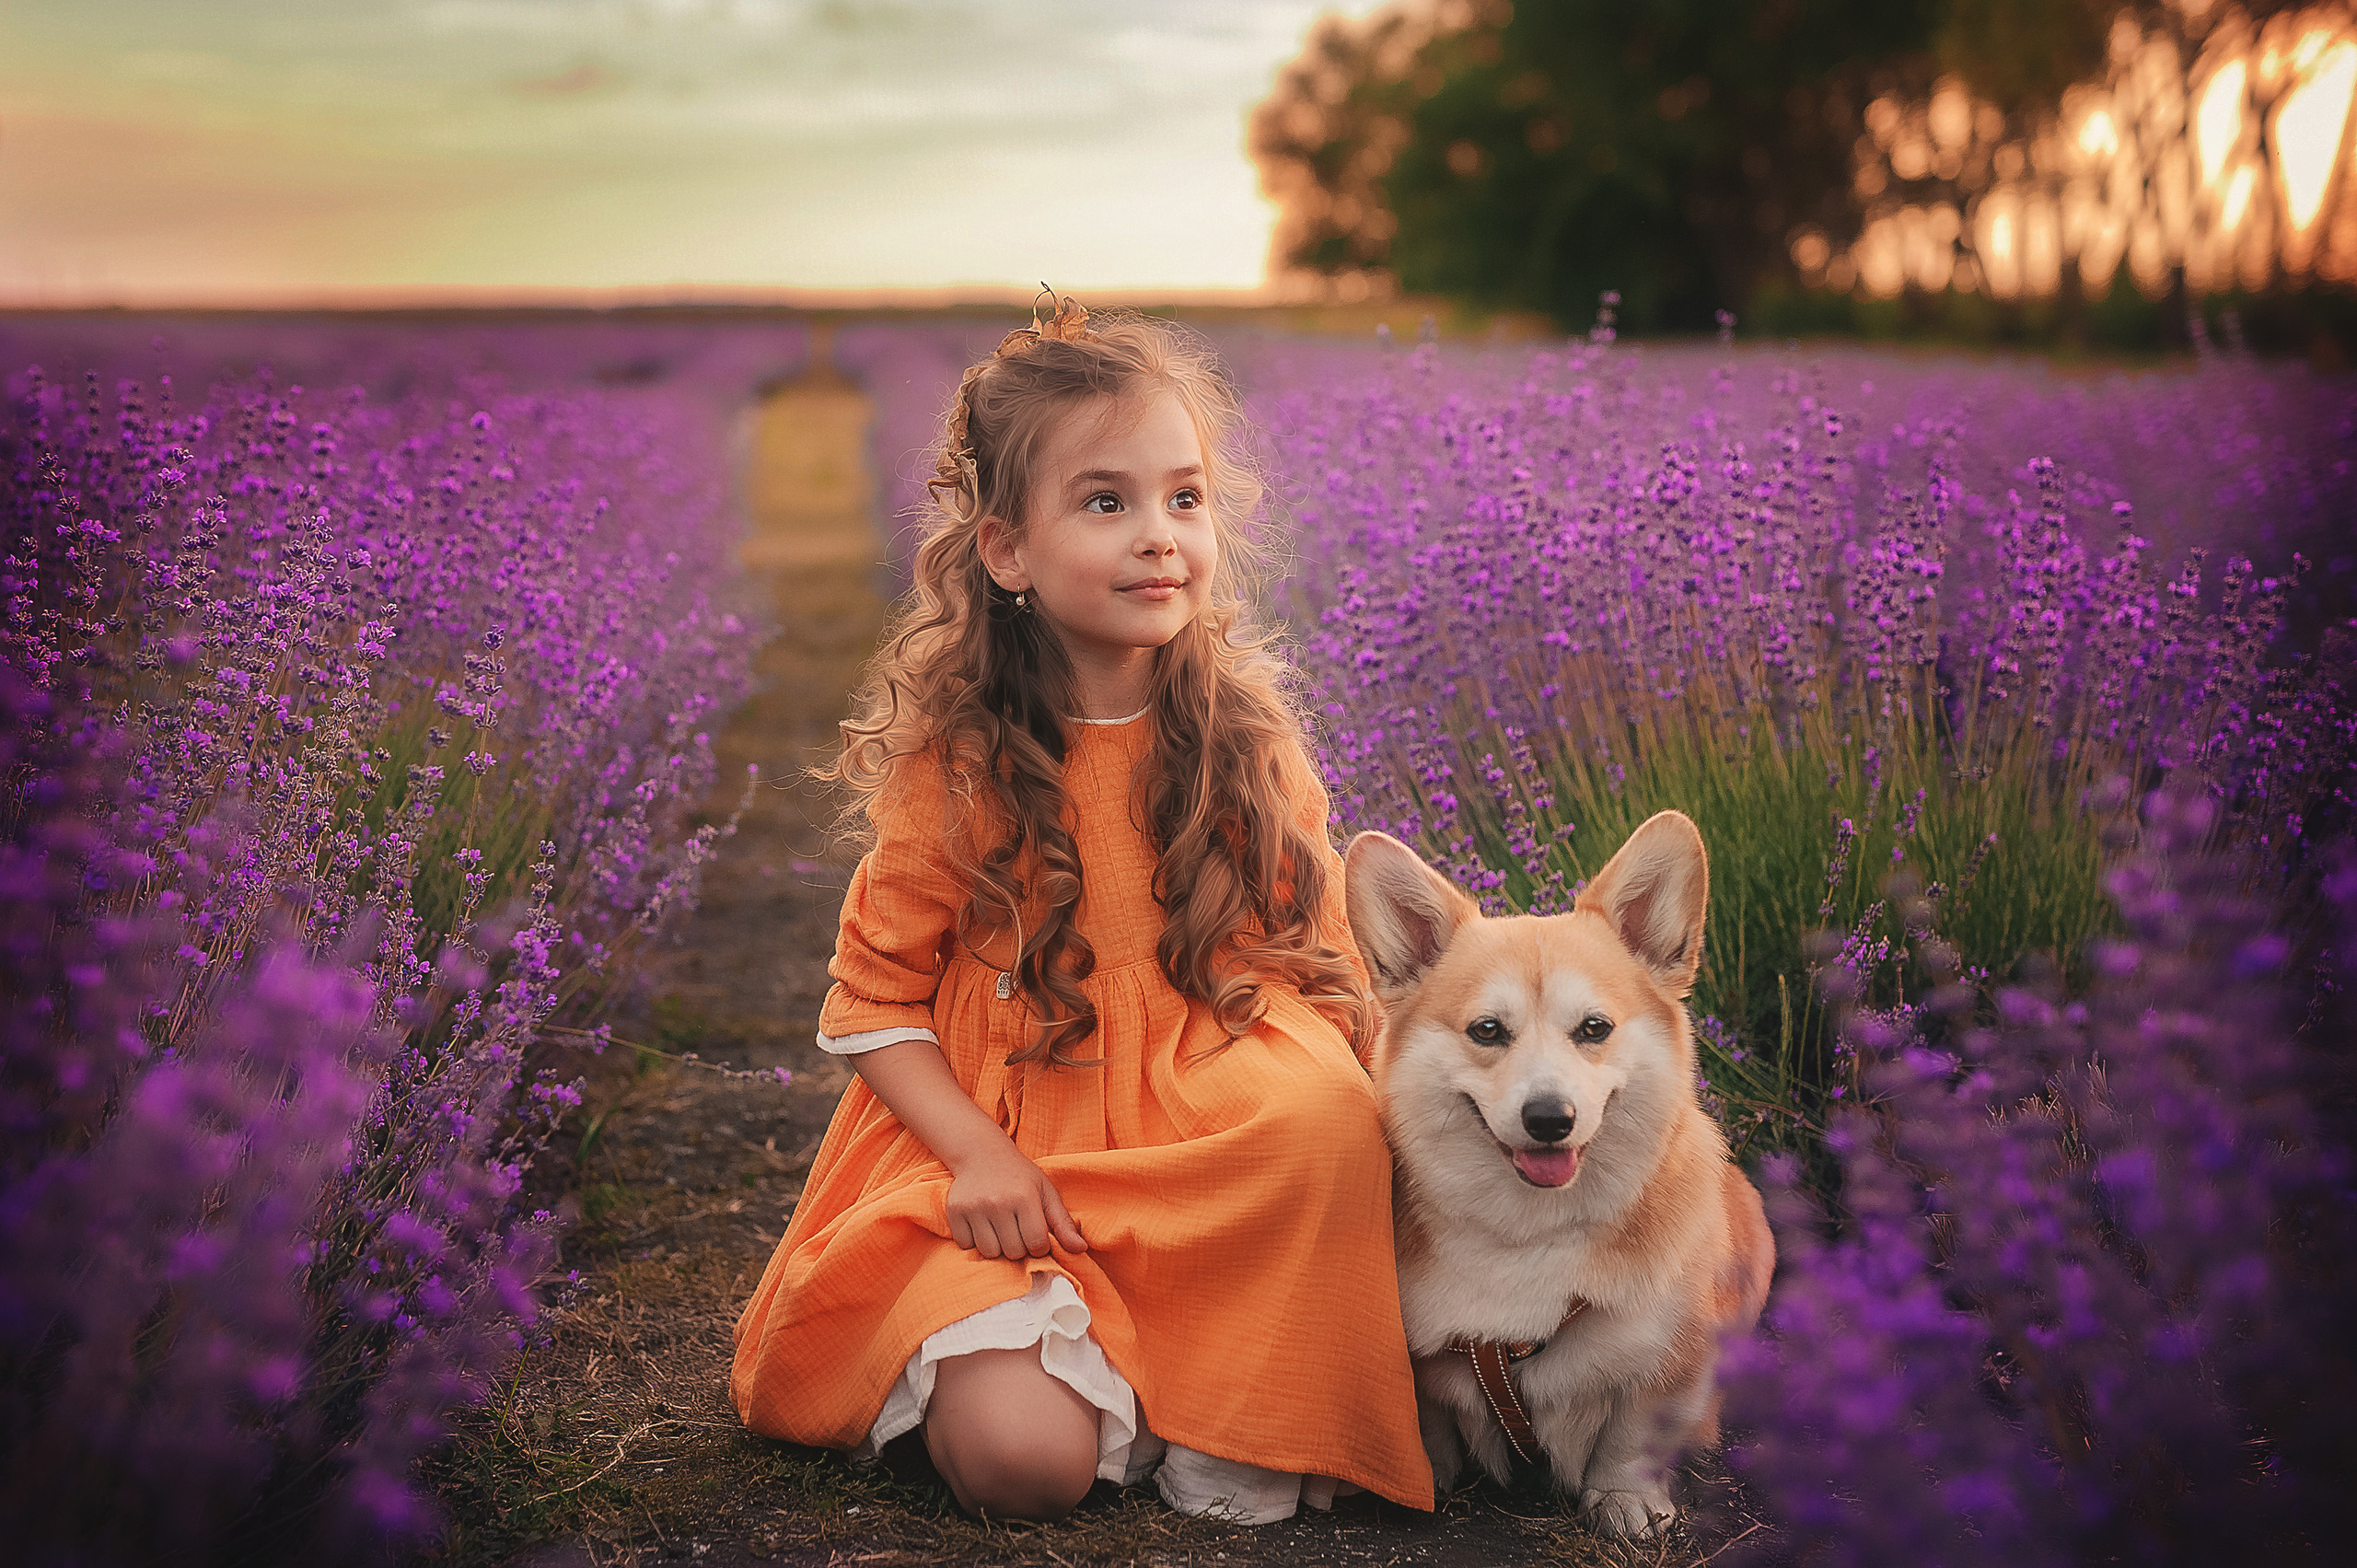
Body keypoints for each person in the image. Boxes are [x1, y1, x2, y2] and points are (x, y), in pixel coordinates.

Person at [729, 296, 1432, 1525]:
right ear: (1006, 551)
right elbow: (871, 1001)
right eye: (1107, 502)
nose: (1159, 536)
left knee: (1323, 1115)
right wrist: (977, 1154)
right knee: (1023, 1472)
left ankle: (1216, 1386)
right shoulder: (958, 767)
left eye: (1184, 498)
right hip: (1019, 1154)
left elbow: (1327, 970)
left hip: (1205, 1129)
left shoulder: (1245, 743)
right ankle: (1113, 1378)